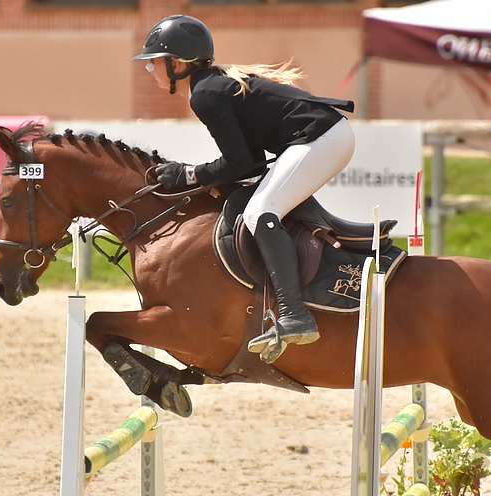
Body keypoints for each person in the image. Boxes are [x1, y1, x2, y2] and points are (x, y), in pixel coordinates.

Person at [133, 14, 355, 363]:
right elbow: (250, 163)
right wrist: (196, 176)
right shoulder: (210, 84)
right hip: (322, 136)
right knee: (259, 205)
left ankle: (295, 315)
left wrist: (188, 175)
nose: (150, 70)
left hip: (322, 139)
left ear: (176, 64)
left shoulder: (204, 94)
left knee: (261, 211)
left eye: (154, 63)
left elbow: (237, 164)